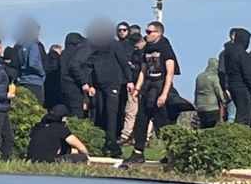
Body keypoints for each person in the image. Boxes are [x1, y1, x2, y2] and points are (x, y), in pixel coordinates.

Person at [69, 19, 131, 157]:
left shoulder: (114, 44)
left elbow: (123, 62)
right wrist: (88, 83)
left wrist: (130, 80)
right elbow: (88, 66)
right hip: (98, 84)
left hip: (113, 83)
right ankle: (103, 142)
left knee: (111, 112)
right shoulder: (93, 46)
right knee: (101, 112)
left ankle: (112, 144)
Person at [125, 21, 178, 162]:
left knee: (162, 124)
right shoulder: (147, 49)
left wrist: (164, 94)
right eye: (146, 31)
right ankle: (138, 152)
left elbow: (170, 73)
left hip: (159, 88)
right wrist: (137, 88)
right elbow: (143, 70)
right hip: (147, 88)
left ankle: (171, 153)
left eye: (149, 32)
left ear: (159, 33)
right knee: (141, 121)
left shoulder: (165, 49)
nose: (146, 34)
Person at [12, 19, 47, 94]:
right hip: (35, 80)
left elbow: (16, 62)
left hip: (22, 79)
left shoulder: (20, 45)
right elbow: (34, 62)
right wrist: (42, 73)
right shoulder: (33, 45)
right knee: (37, 100)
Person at [193, 55, 224, 129]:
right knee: (213, 128)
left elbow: (196, 91)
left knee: (203, 127)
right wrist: (223, 101)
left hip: (200, 106)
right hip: (212, 107)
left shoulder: (199, 76)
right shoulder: (214, 77)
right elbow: (218, 91)